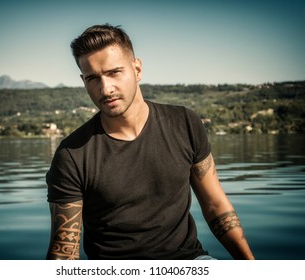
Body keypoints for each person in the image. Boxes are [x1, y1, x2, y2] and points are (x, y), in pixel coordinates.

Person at [46, 24, 255, 260]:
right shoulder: (72, 154)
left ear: (137, 69)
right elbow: (64, 253)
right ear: (83, 81)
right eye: (93, 78)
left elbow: (216, 206)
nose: (105, 89)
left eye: (114, 72)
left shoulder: (185, 123)